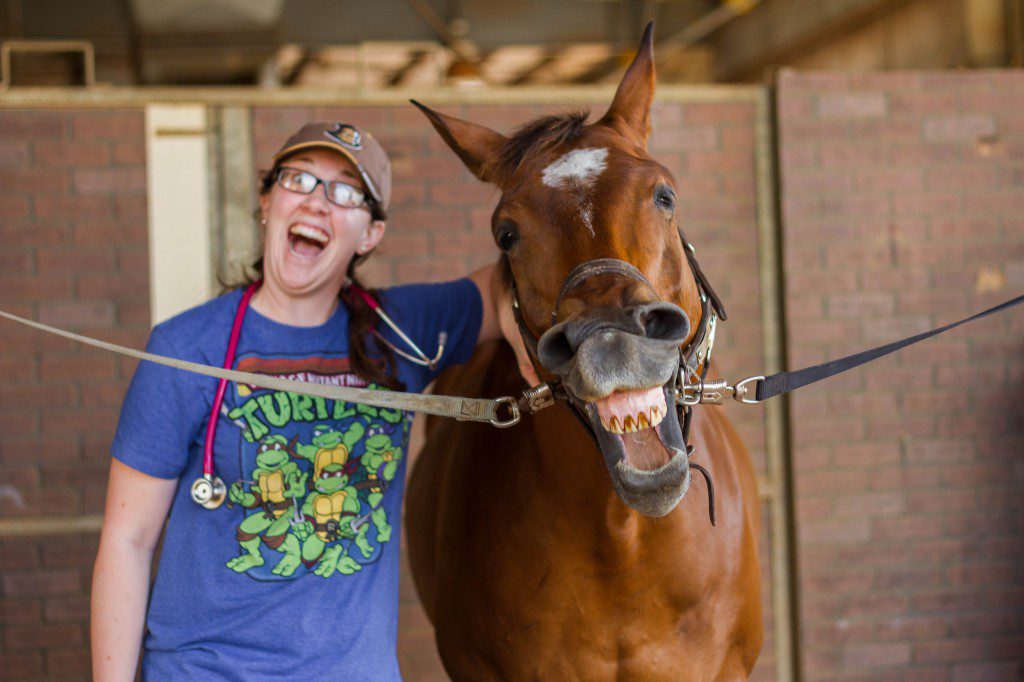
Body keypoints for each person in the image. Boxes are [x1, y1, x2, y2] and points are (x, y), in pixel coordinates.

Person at [90, 121, 522, 680]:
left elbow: (517, 278)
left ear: (370, 234)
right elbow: (128, 540)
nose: (318, 202)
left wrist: (521, 336)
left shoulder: (401, 331)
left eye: (346, 191)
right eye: (300, 180)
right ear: (267, 202)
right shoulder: (185, 348)